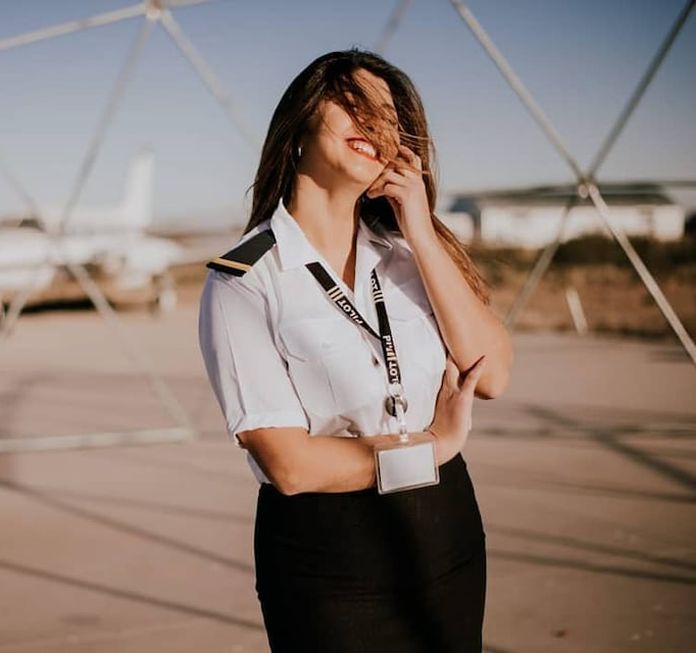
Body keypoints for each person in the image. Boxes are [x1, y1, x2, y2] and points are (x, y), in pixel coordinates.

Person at [197, 48, 514, 652]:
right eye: (352, 103)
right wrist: (433, 447)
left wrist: (419, 227)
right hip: (328, 561)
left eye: (389, 118)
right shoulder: (246, 278)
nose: (373, 123)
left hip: (445, 534)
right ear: (300, 124)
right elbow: (290, 467)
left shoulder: (410, 257)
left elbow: (493, 374)